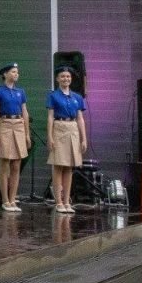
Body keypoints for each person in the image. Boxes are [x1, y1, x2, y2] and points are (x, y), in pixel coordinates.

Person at [47, 67, 87, 214]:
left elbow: (80, 119)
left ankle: (66, 200)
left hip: (73, 129)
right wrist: (50, 136)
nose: (66, 79)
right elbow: (50, 117)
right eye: (62, 76)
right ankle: (58, 201)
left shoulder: (77, 97)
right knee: (58, 165)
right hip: (59, 127)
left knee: (69, 166)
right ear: (57, 79)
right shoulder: (53, 96)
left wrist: (84, 138)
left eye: (68, 77)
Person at [0, 63, 30, 212]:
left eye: (17, 72)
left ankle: (13, 199)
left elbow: (25, 112)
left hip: (19, 124)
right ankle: (5, 199)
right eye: (13, 72)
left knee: (16, 164)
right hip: (5, 123)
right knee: (5, 162)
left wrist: (27, 133)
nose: (16, 74)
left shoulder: (21, 92)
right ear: (5, 74)